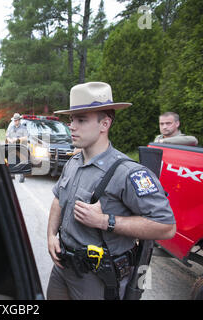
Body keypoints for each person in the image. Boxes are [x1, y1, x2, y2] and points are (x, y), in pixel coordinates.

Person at [47, 82, 176, 300]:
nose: (72, 126)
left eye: (81, 120)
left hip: (96, 279)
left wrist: (105, 221)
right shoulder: (74, 162)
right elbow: (58, 199)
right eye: (71, 120)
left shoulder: (127, 172)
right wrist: (51, 235)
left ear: (104, 124)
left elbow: (166, 227)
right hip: (63, 267)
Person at [6, 113, 29, 182]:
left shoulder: (23, 128)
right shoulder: (11, 127)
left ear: (19, 120)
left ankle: (22, 175)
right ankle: (12, 174)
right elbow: (7, 136)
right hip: (12, 145)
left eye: (17, 120)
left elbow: (26, 137)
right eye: (15, 120)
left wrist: (18, 139)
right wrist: (10, 140)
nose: (16, 121)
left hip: (20, 146)